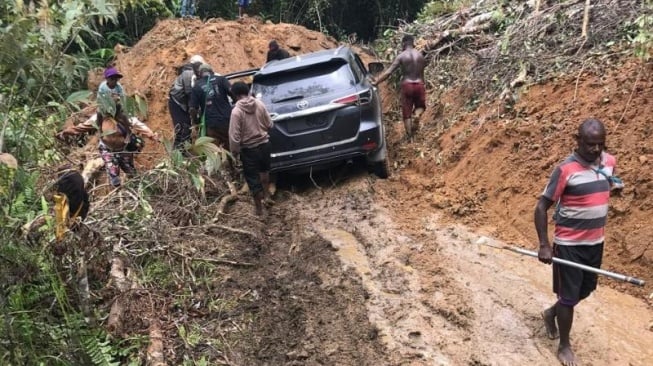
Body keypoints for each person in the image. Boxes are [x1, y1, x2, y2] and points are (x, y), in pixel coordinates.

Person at [534, 118, 621, 366]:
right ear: (578, 141)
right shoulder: (565, 170)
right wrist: (544, 244)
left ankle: (552, 313)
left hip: (595, 242)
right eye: (590, 144)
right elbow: (541, 207)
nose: (595, 150)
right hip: (569, 245)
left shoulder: (609, 162)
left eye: (600, 145)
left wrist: (614, 184)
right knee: (569, 295)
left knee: (585, 290)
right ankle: (564, 345)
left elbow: (607, 180)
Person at [58, 67, 160, 187]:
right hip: (107, 148)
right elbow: (81, 127)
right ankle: (116, 181)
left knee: (131, 171)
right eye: (112, 78)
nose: (114, 81)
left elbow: (140, 126)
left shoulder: (124, 114)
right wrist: (65, 133)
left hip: (123, 147)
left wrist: (152, 135)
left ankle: (135, 186)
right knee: (113, 172)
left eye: (116, 79)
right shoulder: (99, 111)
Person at [228, 81, 273, 216]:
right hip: (264, 144)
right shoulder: (259, 104)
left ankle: (259, 209)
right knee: (264, 172)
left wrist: (234, 152)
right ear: (247, 91)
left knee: (253, 179)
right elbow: (270, 124)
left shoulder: (236, 111)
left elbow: (234, 136)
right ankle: (267, 196)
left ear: (235, 95)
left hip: (249, 149)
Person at [372, 34, 427, 140]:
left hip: (407, 85)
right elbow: (422, 74)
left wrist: (376, 82)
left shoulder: (401, 56)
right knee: (420, 106)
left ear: (404, 43)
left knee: (407, 112)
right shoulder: (420, 56)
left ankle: (410, 137)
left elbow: (388, 72)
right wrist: (423, 86)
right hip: (419, 84)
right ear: (413, 43)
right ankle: (417, 115)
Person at [189, 63, 233, 147]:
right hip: (227, 120)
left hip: (211, 124)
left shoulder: (197, 86)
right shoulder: (221, 79)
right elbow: (232, 92)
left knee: (214, 150)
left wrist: (196, 121)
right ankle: (233, 159)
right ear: (212, 71)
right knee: (230, 146)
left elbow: (192, 109)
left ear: (200, 74)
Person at [169, 54, 204, 150]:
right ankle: (178, 154)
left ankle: (185, 151)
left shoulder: (196, 75)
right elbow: (190, 95)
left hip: (182, 102)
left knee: (186, 127)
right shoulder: (188, 74)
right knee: (182, 128)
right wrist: (195, 115)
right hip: (177, 103)